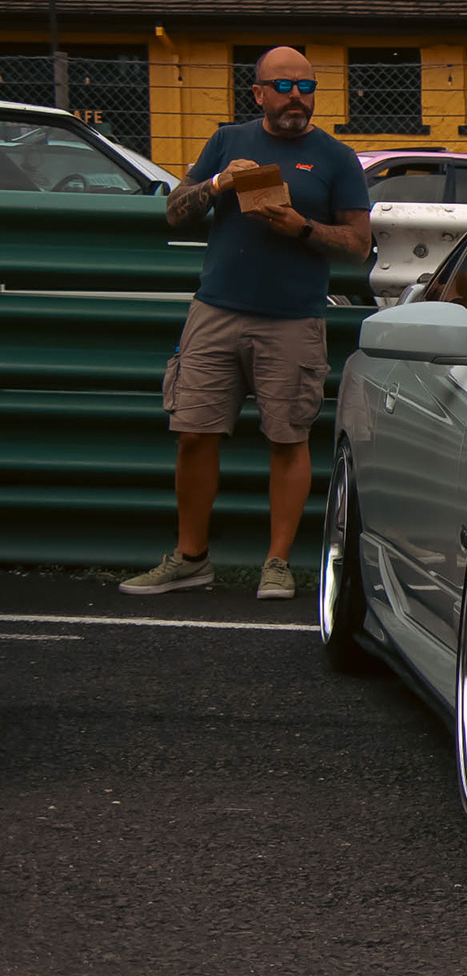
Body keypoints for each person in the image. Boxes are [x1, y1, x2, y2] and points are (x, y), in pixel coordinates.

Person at [120, 47, 372, 599]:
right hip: (216, 310)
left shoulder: (336, 157)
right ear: (257, 93)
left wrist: (302, 227)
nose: (296, 97)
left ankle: (277, 563)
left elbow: (359, 245)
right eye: (283, 86)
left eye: (306, 87)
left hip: (293, 319)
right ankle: (191, 558)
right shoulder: (227, 141)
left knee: (288, 438)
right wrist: (218, 185)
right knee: (193, 433)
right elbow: (174, 211)